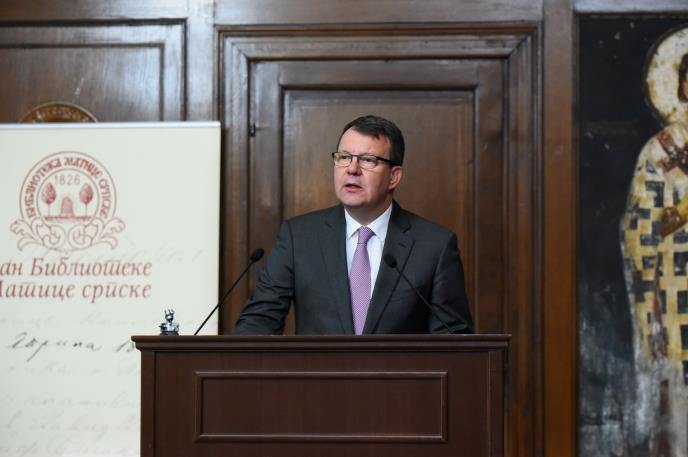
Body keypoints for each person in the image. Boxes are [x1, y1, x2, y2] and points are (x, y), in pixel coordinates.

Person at [234, 114, 474, 335]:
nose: (352, 169)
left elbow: (454, 341)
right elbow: (257, 325)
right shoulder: (298, 237)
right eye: (344, 157)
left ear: (393, 176)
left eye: (368, 160)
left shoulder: (434, 246)